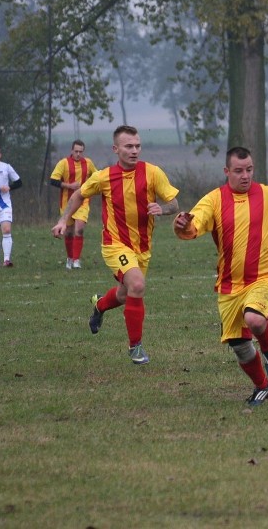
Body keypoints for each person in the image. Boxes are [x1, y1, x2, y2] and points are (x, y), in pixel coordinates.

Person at [173, 146, 268, 407]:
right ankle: (263, 386)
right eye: (238, 171)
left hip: (264, 277)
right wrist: (183, 225)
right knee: (240, 344)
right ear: (227, 171)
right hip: (229, 285)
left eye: (249, 170)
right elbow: (195, 223)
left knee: (255, 319)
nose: (245, 175)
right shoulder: (214, 199)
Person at [51, 125, 179, 365]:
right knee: (138, 284)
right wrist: (63, 220)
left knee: (124, 293)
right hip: (115, 245)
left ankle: (99, 305)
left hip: (142, 247)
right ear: (116, 148)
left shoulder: (153, 173)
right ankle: (136, 347)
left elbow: (174, 203)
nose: (134, 151)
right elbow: (79, 194)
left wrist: (163, 209)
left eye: (137, 146)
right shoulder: (104, 176)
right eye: (128, 146)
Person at [49, 139, 98, 269]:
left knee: (79, 229)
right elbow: (53, 180)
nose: (78, 154)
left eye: (80, 151)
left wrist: (91, 186)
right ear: (71, 151)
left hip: (83, 201)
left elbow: (97, 177)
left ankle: (77, 261)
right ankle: (70, 258)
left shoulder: (88, 163)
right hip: (67, 204)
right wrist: (69, 185)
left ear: (83, 151)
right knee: (69, 232)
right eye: (76, 151)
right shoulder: (63, 163)